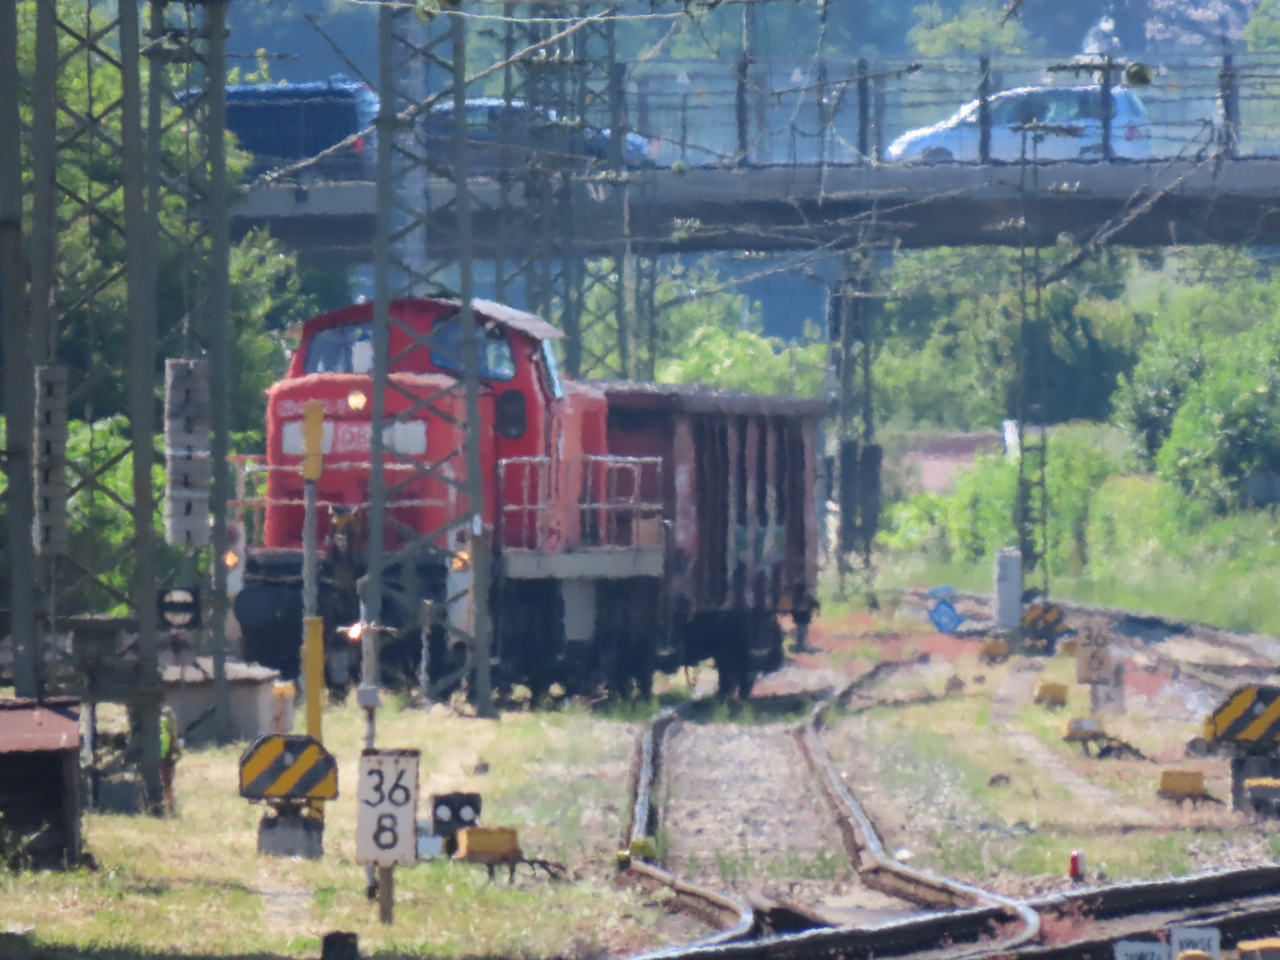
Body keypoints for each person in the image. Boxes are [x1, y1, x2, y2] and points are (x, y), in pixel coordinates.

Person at [159, 705, 181, 816]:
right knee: (166, 783)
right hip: (165, 757)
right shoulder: (167, 725)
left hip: (163, 757)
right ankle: (169, 806)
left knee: (165, 783)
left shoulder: (163, 725)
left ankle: (168, 806)